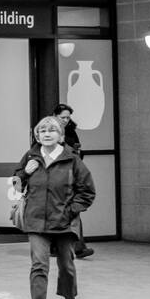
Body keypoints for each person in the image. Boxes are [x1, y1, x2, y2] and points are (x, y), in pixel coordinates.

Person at [11, 115, 95, 299]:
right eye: (42, 131)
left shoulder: (72, 159)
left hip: (64, 222)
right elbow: (16, 187)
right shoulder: (30, 156)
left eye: (52, 130)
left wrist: (71, 210)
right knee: (39, 265)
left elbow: (87, 191)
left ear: (60, 135)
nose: (47, 134)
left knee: (66, 265)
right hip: (36, 221)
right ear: (37, 135)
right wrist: (24, 174)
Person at [53, 103, 93, 258]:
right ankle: (63, 246)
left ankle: (77, 246)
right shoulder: (48, 130)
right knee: (59, 211)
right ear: (55, 116)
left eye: (68, 117)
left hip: (70, 174)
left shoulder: (70, 130)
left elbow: (76, 153)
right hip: (57, 176)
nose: (65, 120)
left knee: (72, 211)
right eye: (62, 117)